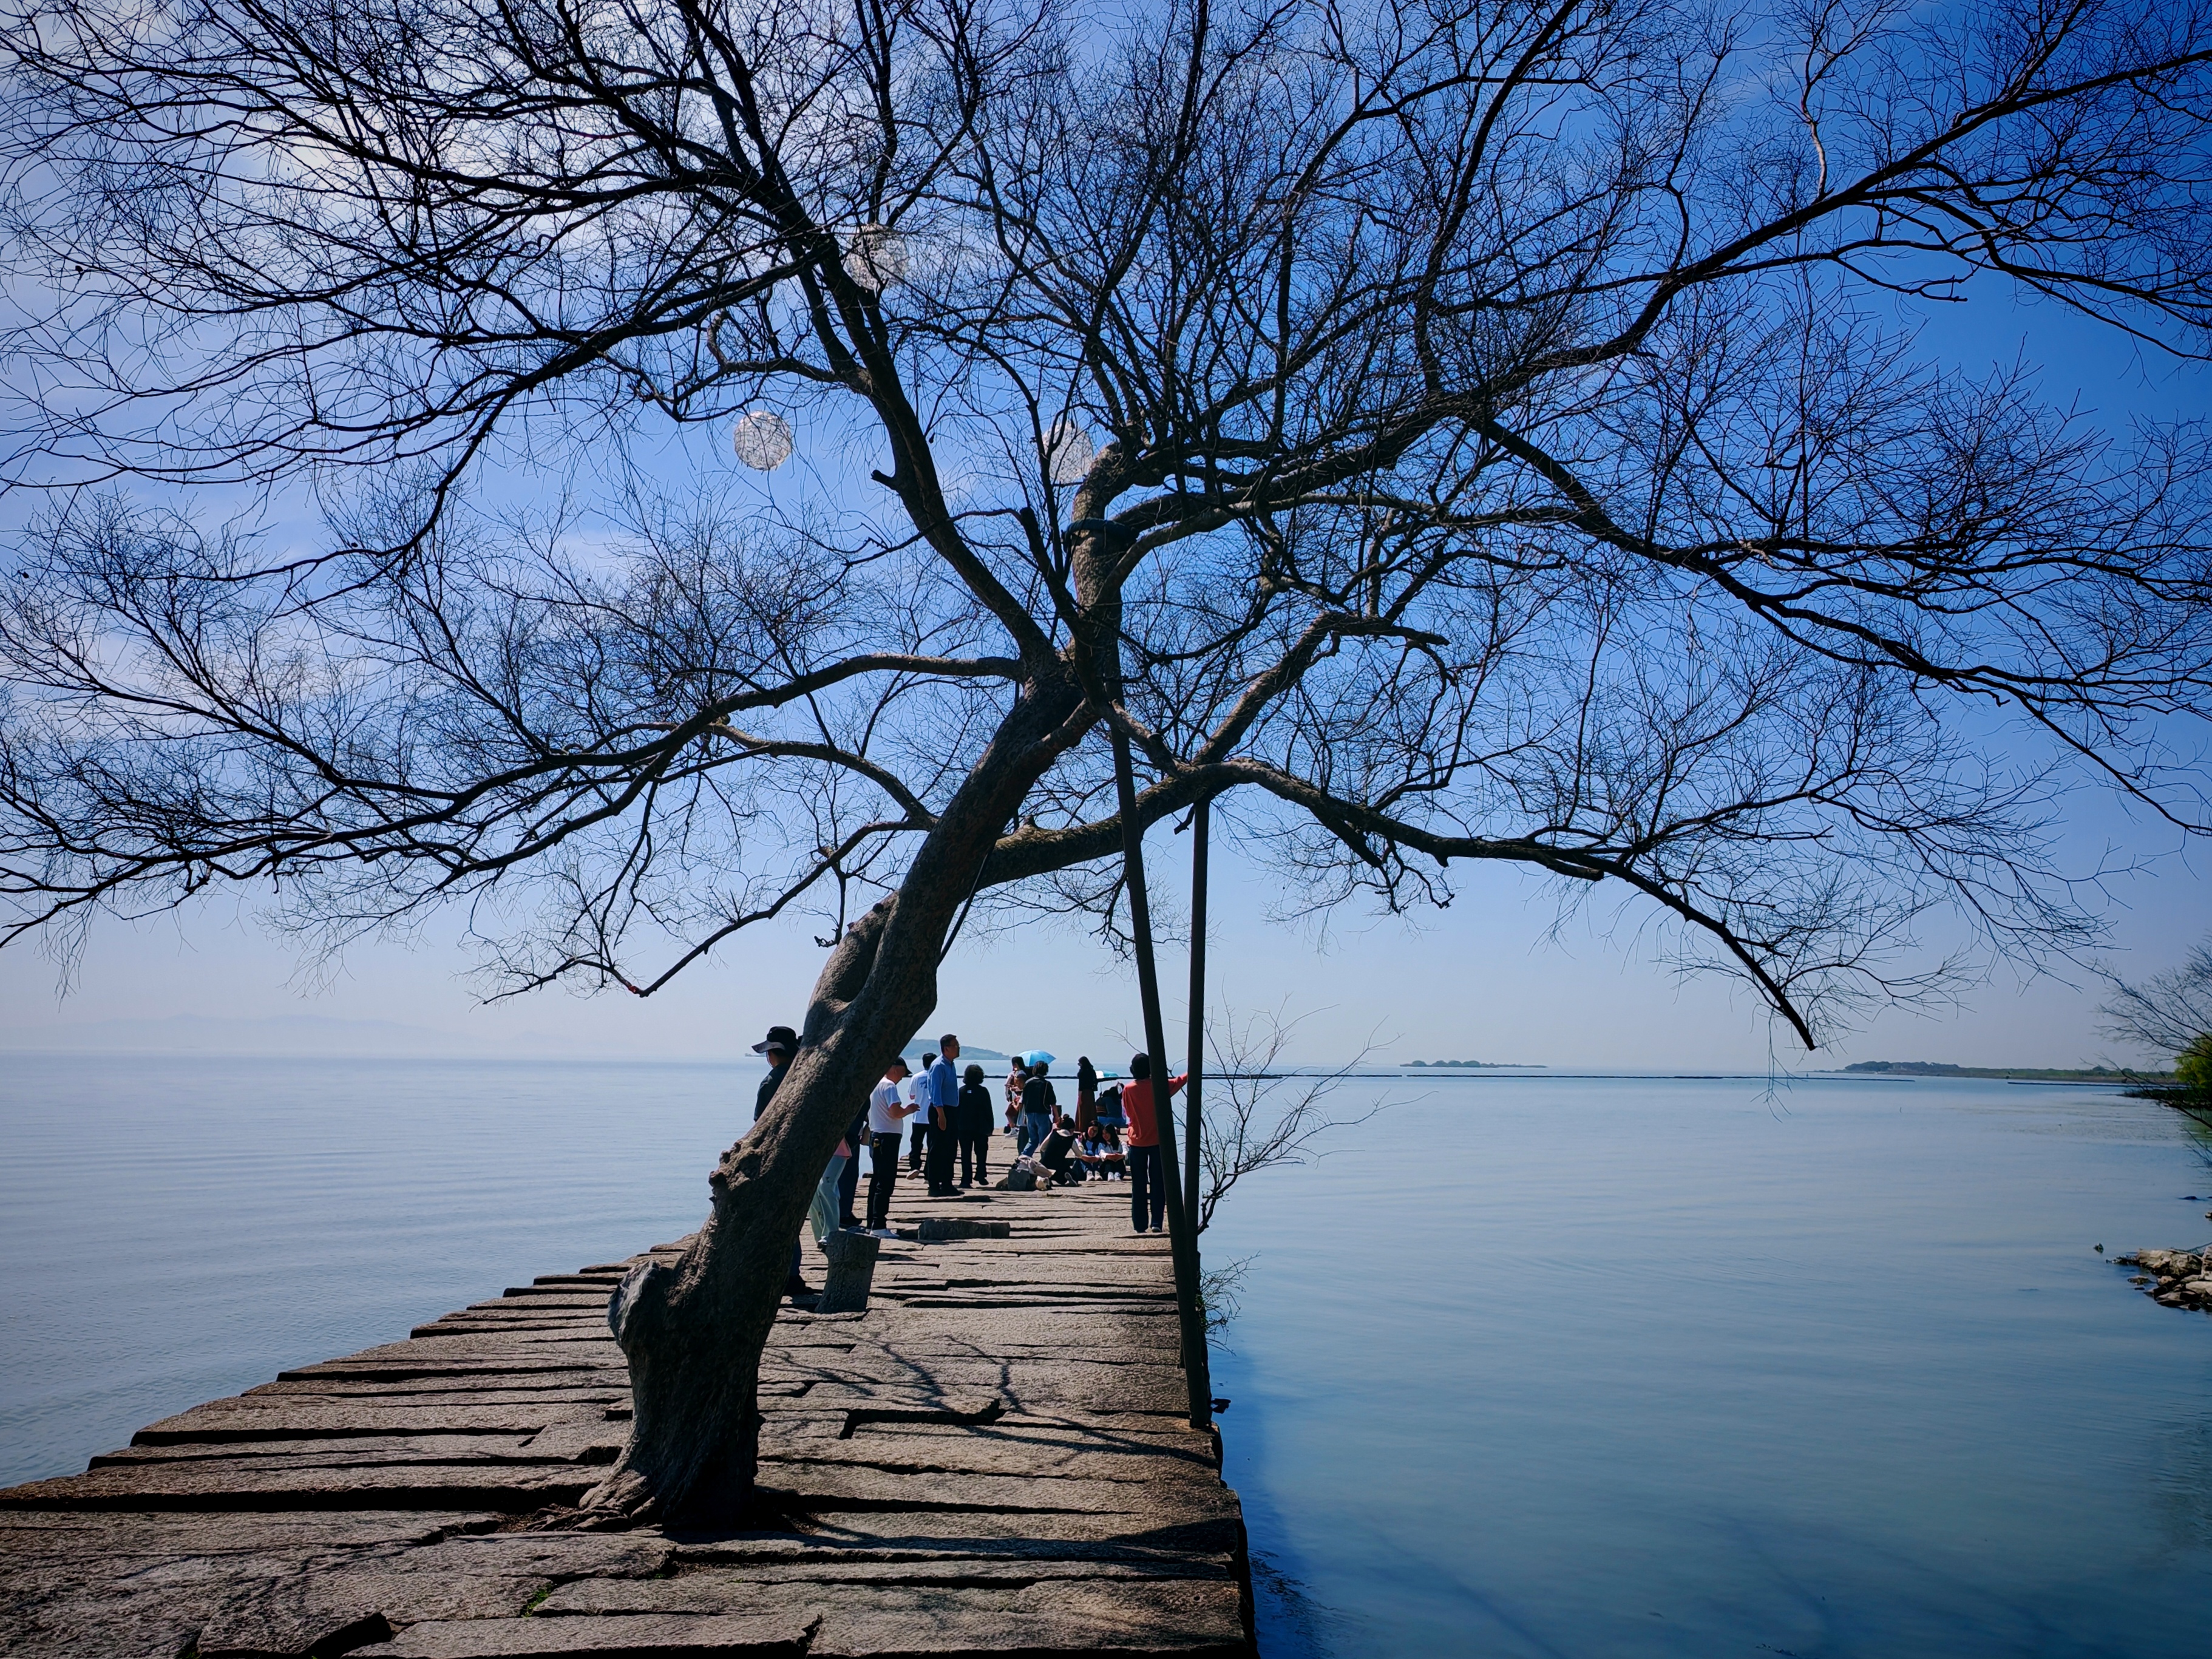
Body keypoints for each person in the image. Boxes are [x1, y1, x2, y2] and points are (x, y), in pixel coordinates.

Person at [751, 1024, 811, 1298]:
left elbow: (759, 1128)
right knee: (793, 1217)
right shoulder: (807, 1076)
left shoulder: (771, 1082)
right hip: (807, 1157)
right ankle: (792, 1273)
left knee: (777, 1218)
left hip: (776, 1160)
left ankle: (784, 1275)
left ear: (772, 1053)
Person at [1120, 1051, 1186, 1235]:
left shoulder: (1128, 1089)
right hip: (1158, 1141)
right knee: (1158, 1183)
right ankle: (1157, 1222)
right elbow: (1181, 1080)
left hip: (1136, 1141)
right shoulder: (1160, 1086)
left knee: (1138, 1185)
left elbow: (1129, 1114)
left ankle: (1140, 1225)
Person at [865, 1056, 920, 1234]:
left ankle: (872, 1222)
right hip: (887, 1138)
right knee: (886, 1182)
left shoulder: (876, 1084)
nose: (902, 1078)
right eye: (903, 1074)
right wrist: (909, 1110)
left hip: (876, 1136)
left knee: (877, 1180)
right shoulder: (889, 1086)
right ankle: (879, 1225)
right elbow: (895, 1112)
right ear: (896, 1069)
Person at [924, 1034, 961, 1196]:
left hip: (952, 1109)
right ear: (946, 1048)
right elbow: (935, 1092)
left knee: (951, 1147)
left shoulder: (951, 1065)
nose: (958, 1048)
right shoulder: (938, 1066)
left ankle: (947, 1182)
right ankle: (933, 1184)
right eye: (955, 1046)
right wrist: (941, 1114)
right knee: (938, 1147)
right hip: (941, 1109)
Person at [955, 1062, 995, 1188]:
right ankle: (981, 1173)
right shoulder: (983, 1092)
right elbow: (989, 1110)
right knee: (982, 1152)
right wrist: (990, 1126)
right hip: (981, 1127)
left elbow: (956, 1110)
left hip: (963, 1127)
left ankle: (966, 1179)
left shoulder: (961, 1091)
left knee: (966, 1154)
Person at [1019, 1060, 1057, 1155]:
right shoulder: (1046, 1084)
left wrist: (1024, 1116)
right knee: (1044, 1142)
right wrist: (1056, 1116)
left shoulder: (1028, 1083)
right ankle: (1045, 1162)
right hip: (1042, 1114)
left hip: (1029, 1114)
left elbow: (1024, 1101)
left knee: (1032, 1140)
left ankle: (1023, 1158)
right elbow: (1052, 1102)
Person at [1036, 1113, 1082, 1184]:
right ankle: (1070, 1176)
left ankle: (1045, 1178)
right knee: (1067, 1177)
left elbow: (1042, 1148)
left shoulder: (1054, 1133)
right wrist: (1080, 1143)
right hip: (1059, 1164)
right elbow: (1079, 1155)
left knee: (1047, 1172)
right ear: (1072, 1130)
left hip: (1045, 1163)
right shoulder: (1070, 1139)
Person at [1074, 1055, 1099, 1135]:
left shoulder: (1082, 1073)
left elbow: (1081, 1086)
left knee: (1083, 1111)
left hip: (1084, 1093)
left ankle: (1082, 1127)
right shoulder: (1092, 1071)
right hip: (1091, 1093)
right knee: (1091, 1110)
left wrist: (1080, 1096)